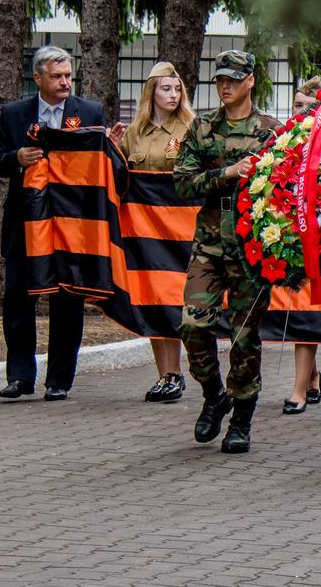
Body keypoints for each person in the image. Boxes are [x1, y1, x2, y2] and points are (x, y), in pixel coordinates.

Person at [173, 50, 281, 453]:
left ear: (250, 80)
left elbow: (287, 188)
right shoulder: (202, 128)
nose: (225, 85)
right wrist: (226, 174)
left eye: (233, 79)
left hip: (253, 246)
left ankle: (241, 419)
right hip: (210, 243)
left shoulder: (271, 131)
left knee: (244, 336)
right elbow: (182, 183)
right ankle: (214, 395)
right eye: (220, 79)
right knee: (193, 325)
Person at [0, 46, 108, 401]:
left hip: (70, 227)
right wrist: (17, 158)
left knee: (67, 300)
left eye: (69, 75)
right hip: (25, 224)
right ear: (37, 78)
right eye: (57, 76)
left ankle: (59, 379)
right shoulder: (13, 114)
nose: (65, 82)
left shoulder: (88, 112)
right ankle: (21, 377)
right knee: (17, 298)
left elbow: (100, 163)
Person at [120, 62, 196, 403]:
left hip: (180, 228)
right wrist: (110, 147)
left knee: (173, 297)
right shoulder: (135, 131)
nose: (173, 94)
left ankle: (176, 372)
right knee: (151, 296)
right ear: (152, 91)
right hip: (144, 229)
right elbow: (120, 171)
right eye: (166, 88)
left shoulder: (191, 127)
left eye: (177, 89)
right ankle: (164, 374)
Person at [283, 79, 321, 416]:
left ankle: (302, 385)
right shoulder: (285, 138)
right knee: (299, 309)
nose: (298, 112)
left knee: (308, 311)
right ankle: (309, 378)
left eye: (305, 106)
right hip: (291, 234)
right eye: (296, 105)